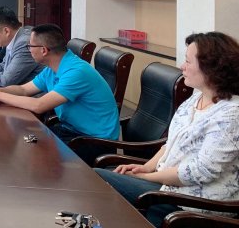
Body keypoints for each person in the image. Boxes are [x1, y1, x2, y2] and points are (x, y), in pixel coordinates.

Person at [95, 32, 239, 227]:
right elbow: (171, 143)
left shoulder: (231, 114)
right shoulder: (195, 99)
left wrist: (147, 177)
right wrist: (146, 167)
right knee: (99, 180)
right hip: (169, 187)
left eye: (188, 61)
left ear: (212, 67)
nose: (182, 66)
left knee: (97, 179)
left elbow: (199, 172)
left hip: (195, 204)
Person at [0, 24, 119, 161]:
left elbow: (39, 105)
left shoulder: (76, 72)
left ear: (44, 50)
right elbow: (24, 90)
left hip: (94, 141)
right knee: (27, 143)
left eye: (30, 46)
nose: (28, 50)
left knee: (33, 154)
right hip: (70, 130)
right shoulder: (53, 67)